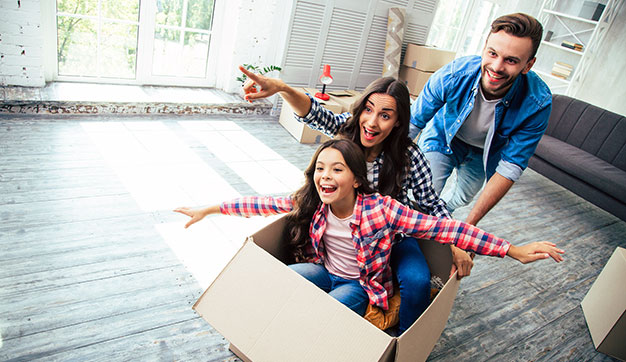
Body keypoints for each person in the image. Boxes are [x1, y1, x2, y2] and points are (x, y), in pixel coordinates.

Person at [174, 139, 564, 318]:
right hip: (323, 270)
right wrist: (209, 209)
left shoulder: (382, 211)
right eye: (320, 169)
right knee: (283, 283)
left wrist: (511, 249)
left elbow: (444, 230)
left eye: (337, 169)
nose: (325, 177)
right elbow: (258, 204)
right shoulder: (312, 202)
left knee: (328, 316)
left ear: (357, 180)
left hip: (361, 285)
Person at [239, 71, 469, 333]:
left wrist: (456, 244)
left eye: (385, 115)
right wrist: (282, 88)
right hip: (345, 243)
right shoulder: (346, 135)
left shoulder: (409, 156)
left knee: (417, 281)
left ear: (397, 122)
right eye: (368, 110)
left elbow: (430, 204)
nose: (371, 122)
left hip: (394, 239)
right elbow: (314, 113)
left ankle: (401, 344)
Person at [409, 13, 551, 231]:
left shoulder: (537, 103)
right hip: (443, 138)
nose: (496, 67)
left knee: (463, 198)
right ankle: (420, 221)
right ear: (485, 46)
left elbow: (510, 167)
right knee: (425, 195)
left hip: (484, 153)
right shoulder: (453, 75)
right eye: (492, 53)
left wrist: (470, 228)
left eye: (511, 60)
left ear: (528, 65)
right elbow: (412, 123)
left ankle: (437, 219)